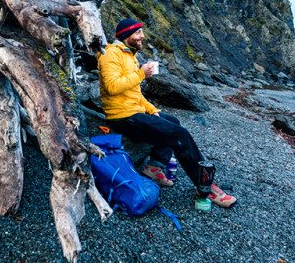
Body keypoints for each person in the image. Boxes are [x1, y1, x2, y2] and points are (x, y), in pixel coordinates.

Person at [96, 18, 236, 207]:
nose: (142, 36)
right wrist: (140, 74)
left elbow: (133, 93)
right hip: (123, 117)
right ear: (127, 34)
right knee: (180, 135)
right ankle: (206, 186)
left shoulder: (130, 56)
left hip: (133, 111)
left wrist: (152, 109)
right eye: (138, 32)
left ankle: (155, 167)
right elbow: (112, 87)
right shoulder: (110, 54)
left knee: (173, 121)